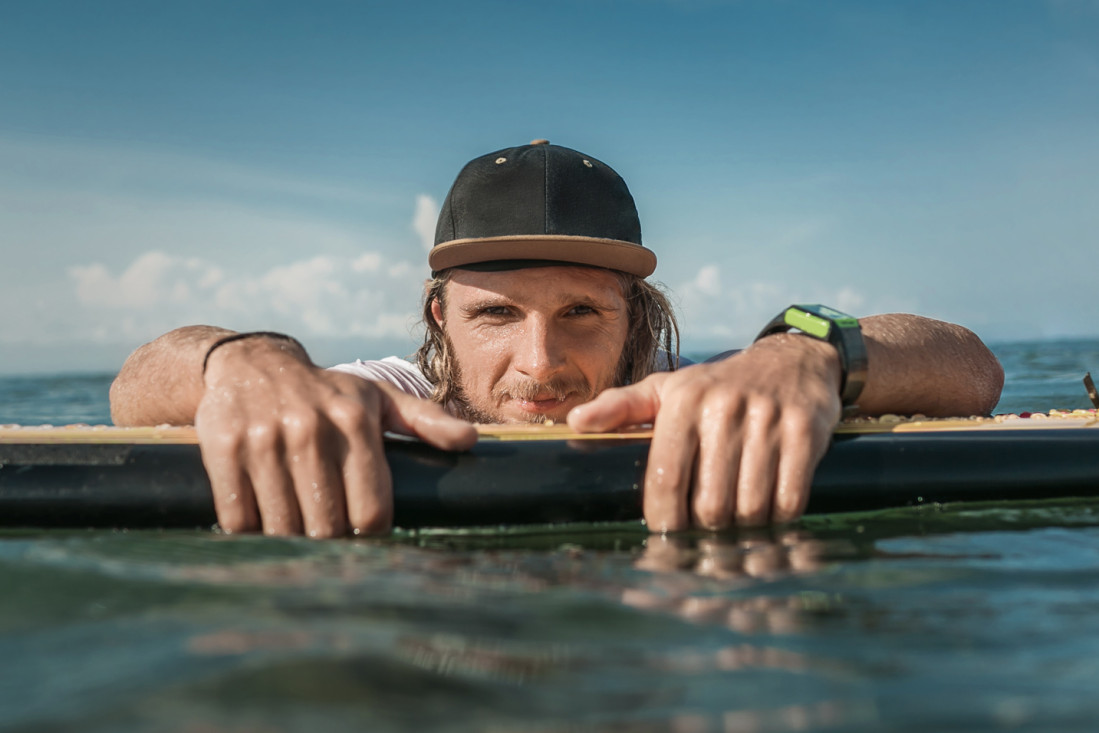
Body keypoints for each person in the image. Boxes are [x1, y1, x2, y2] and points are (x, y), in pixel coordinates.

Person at [110, 139, 1004, 538]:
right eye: (495, 314)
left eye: (580, 312)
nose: (539, 365)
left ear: (635, 315)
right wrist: (246, 361)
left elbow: (973, 370)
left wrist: (808, 353)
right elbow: (131, 395)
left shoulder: (696, 390)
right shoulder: (384, 398)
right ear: (439, 319)